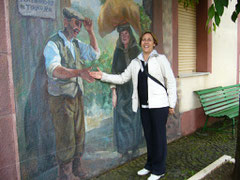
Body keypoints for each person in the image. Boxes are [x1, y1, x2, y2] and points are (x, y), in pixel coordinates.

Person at [90, 32, 177, 180]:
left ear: (154, 43)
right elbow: (123, 77)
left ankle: (159, 169)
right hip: (144, 106)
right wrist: (103, 76)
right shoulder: (135, 62)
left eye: (149, 40)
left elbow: (170, 81)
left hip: (159, 106)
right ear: (141, 43)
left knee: (159, 137)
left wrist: (171, 103)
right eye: (144, 40)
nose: (146, 42)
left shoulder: (160, 59)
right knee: (149, 137)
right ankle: (149, 165)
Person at [43, 7, 100, 180]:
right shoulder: (53, 44)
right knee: (65, 136)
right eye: (76, 24)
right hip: (61, 98)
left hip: (76, 95)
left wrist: (90, 32)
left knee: (78, 133)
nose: (78, 28)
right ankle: (65, 174)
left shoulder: (76, 44)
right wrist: (79, 72)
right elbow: (55, 70)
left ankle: (77, 167)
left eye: (81, 25)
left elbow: (95, 55)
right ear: (66, 21)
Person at [111, 23, 143, 159]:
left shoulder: (136, 51)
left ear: (130, 36)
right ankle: (124, 150)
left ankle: (135, 147)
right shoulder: (117, 52)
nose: (124, 37)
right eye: (121, 34)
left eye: (126, 34)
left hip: (134, 90)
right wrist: (114, 92)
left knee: (134, 119)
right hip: (121, 90)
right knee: (121, 119)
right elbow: (113, 72)